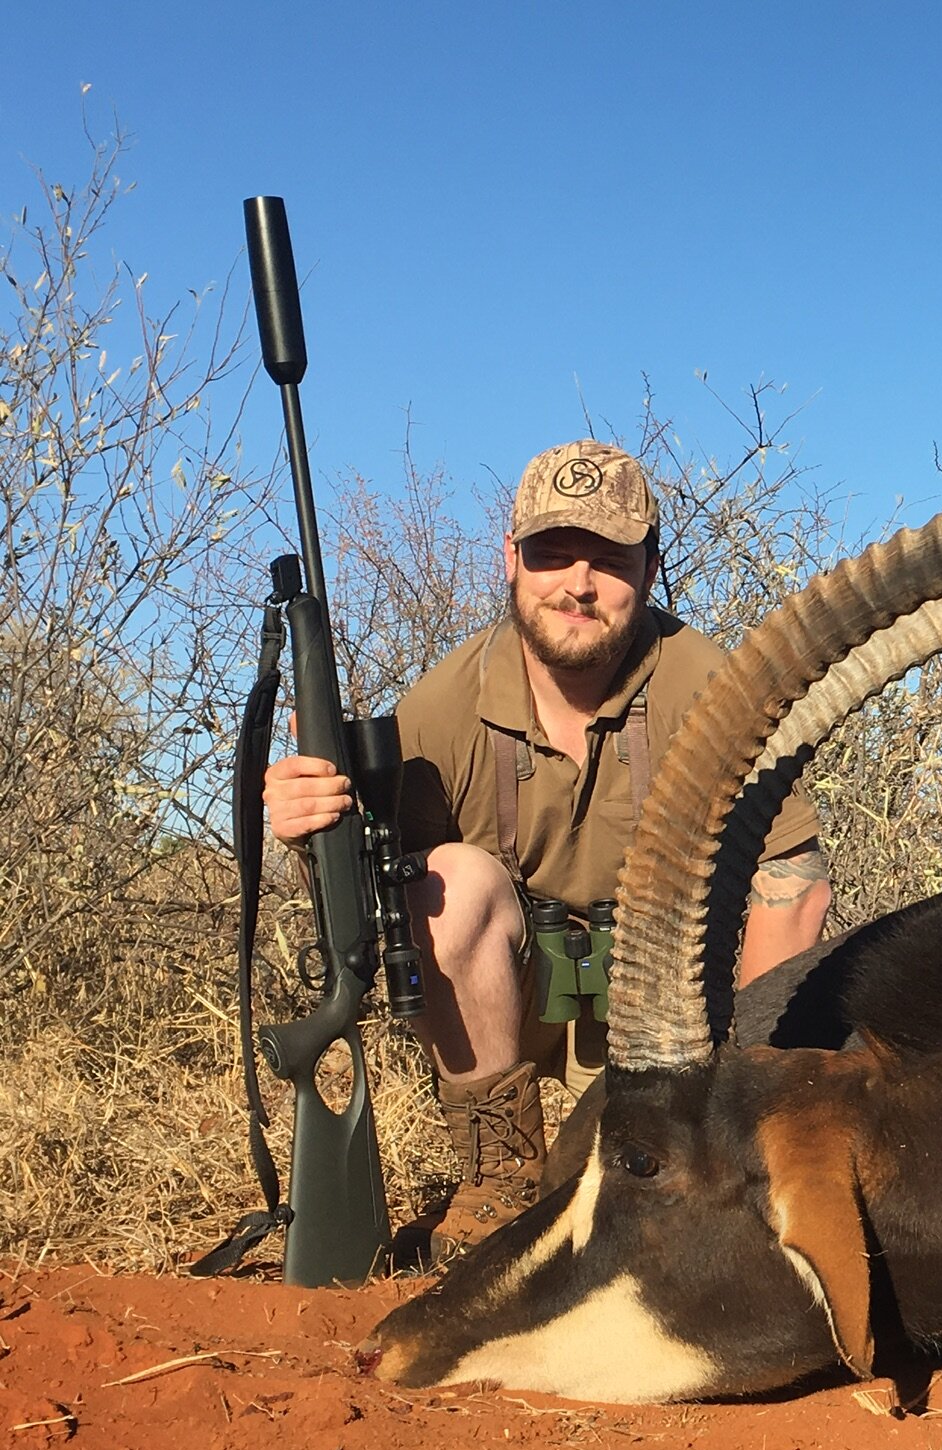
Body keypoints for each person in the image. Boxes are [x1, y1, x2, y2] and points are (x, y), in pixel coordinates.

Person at [264, 440, 830, 1260]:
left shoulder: (714, 686)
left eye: (608, 558)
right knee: (446, 882)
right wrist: (314, 827)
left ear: (650, 564)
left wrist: (737, 1097)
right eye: (551, 554)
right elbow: (379, 905)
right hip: (519, 1021)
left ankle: (710, 1165)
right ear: (511, 559)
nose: (578, 582)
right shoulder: (445, 704)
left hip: (677, 1025)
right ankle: (500, 1178)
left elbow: (795, 883)